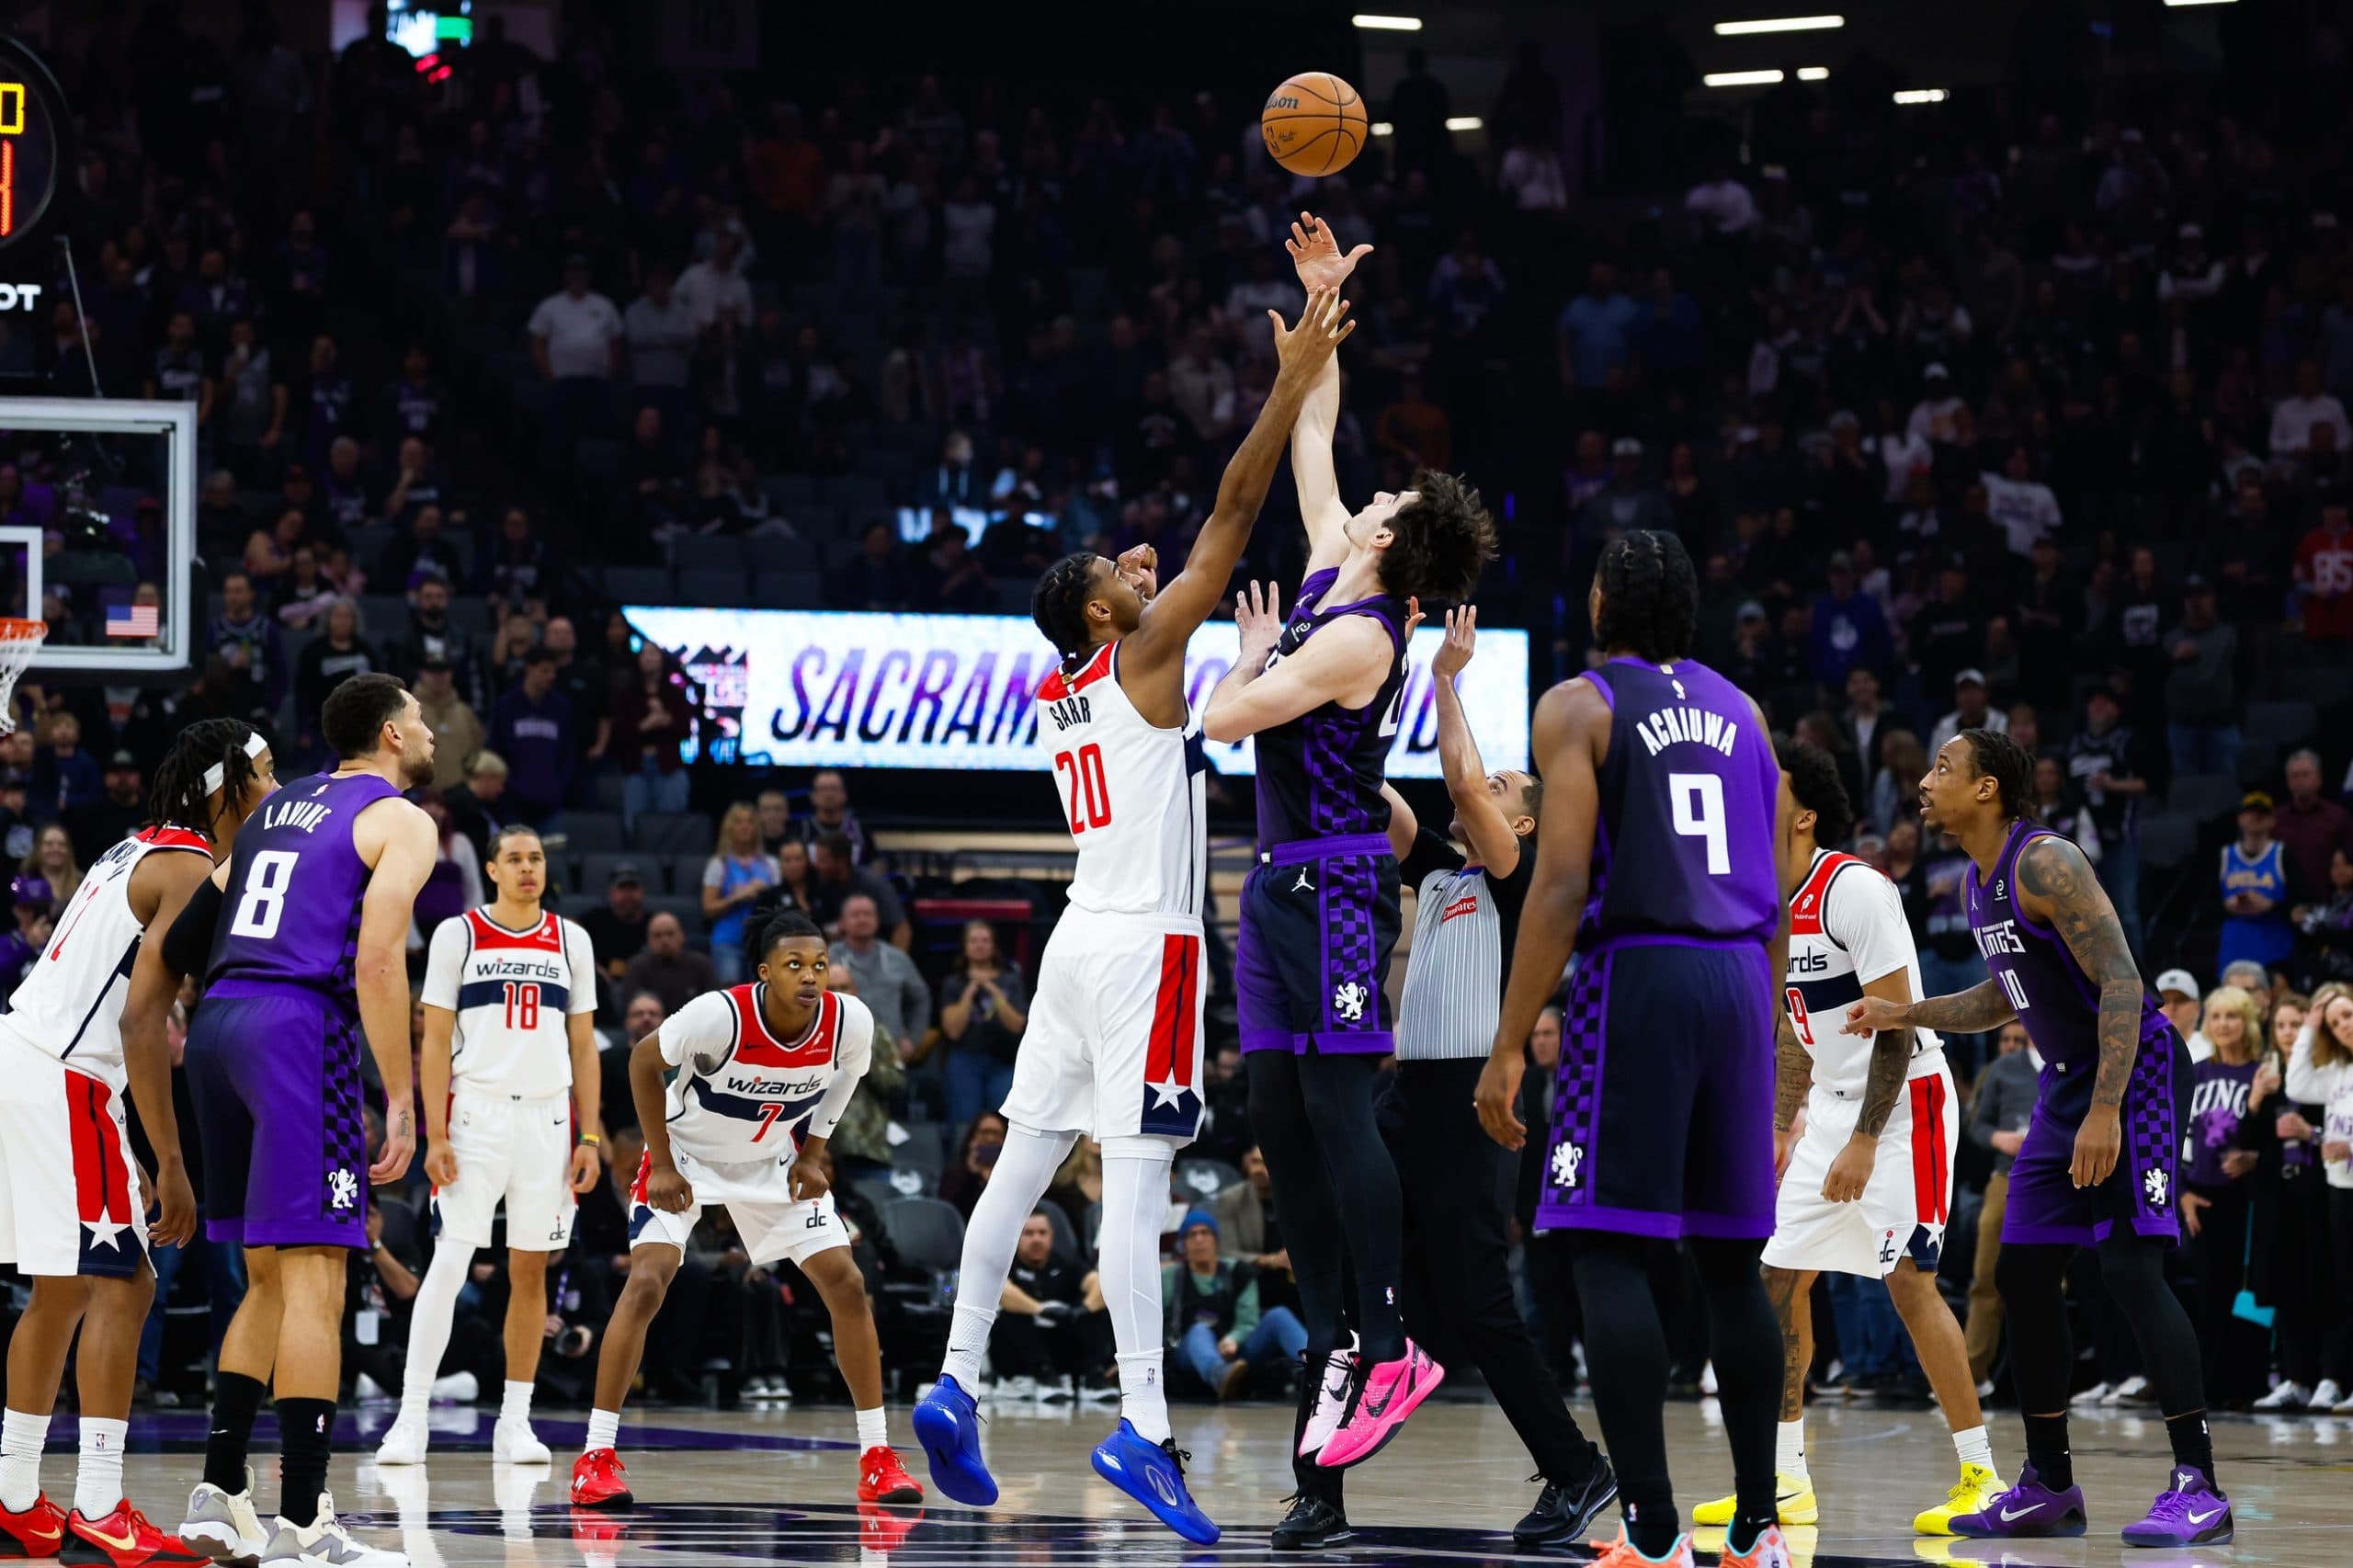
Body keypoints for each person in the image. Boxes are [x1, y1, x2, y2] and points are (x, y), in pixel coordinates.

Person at [916, 272, 1358, 1549]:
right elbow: (1231, 510)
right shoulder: (1143, 649)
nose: (1138, 567)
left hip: (1071, 941)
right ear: (1108, 613)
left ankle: (954, 1372)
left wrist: (1155, 609)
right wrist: (1286, 385)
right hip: (1147, 948)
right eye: (1122, 572)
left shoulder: (1067, 689)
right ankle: (1146, 1423)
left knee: (1026, 1154)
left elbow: (1148, 604)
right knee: (1142, 1180)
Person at [1201, 217, 1497, 1533]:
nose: (1369, 497)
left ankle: (1385, 1336)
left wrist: (1250, 658)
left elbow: (1220, 721)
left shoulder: (1359, 636)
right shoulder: (1340, 568)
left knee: (1339, 1118)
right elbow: (1312, 442)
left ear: (1396, 544)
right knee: (1281, 1128)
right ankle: (1337, 1367)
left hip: (1330, 890)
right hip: (1275, 890)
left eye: (1387, 505)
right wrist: (1318, 314)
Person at [1474, 528, 1794, 1568]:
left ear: (1605, 600)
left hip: (1643, 973)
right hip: (1742, 976)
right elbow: (1779, 894)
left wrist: (1509, 1038)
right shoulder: (1746, 715)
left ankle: (1652, 1530)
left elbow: (1560, 883)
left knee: (1605, 1243)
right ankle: (1757, 1526)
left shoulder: (1580, 702)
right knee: (1732, 1264)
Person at [1845, 727, 2227, 1547]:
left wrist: (2104, 1110)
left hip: (2134, 1072)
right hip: (2067, 1083)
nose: (1926, 781)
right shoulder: (1977, 883)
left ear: (1987, 789)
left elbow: (2124, 982)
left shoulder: (2046, 860)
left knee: (2130, 1270)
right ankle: (2051, 1483)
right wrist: (1903, 1011)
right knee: (2020, 1274)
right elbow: (2003, 996)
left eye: (1943, 768)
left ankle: (2199, 1483)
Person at [1702, 738, 2000, 1539]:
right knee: (1774, 1280)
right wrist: (1778, 1124)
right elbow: (1798, 1030)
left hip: (1906, 1104)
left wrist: (1865, 1140)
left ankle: (1982, 1475)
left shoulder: (1856, 890)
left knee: (1909, 1284)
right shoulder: (1763, 894)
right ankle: (1783, 1479)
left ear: (1803, 814)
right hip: (1831, 1106)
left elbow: (1897, 1024)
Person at [172, 674, 438, 1567]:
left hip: (217, 1023)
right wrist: (399, 1096)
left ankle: (218, 1491)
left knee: (269, 1280)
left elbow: (180, 941)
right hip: (295, 1027)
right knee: (319, 1274)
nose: (431, 729)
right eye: (422, 718)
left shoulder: (275, 808)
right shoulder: (401, 817)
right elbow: (376, 959)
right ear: (393, 734)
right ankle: (307, 1519)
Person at [1368, 606, 1617, 1548]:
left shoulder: (1515, 873)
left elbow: (1463, 782)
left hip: (1472, 1096)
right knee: (1354, 1237)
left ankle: (1575, 1467)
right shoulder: (1439, 871)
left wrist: (1445, 680)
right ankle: (1378, 1372)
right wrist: (1374, 669)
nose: (1484, 789)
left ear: (1521, 820)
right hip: (1407, 1094)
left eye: (1508, 787)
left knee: (1479, 1301)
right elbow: (1375, 788)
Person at [0, 722, 276, 1565]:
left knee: (63, 1291)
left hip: (29, 1057)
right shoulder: (189, 866)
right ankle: (101, 1504)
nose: (272, 791)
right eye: (263, 777)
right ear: (224, 788)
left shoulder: (133, 847)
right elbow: (139, 1020)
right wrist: (172, 1164)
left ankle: (14, 1499)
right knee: (126, 1282)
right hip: (68, 1075)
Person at [568, 912, 923, 1511]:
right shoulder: (718, 1015)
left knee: (848, 1283)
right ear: (764, 972)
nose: (811, 977)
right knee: (648, 1281)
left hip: (771, 1166)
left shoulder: (848, 1022)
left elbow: (846, 1081)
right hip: (687, 1156)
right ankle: (594, 1459)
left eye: (818, 965)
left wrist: (813, 1153)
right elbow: (640, 1063)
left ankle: (877, 1458)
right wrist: (660, 1162)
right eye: (794, 966)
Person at [375, 825, 600, 1467]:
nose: (528, 868)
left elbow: (583, 1045)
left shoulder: (570, 939)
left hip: (550, 1120)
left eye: (536, 858)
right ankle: (410, 1417)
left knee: (530, 1270)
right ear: (493, 871)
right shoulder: (459, 934)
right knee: (450, 1261)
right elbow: (434, 1039)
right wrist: (436, 1131)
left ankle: (515, 1422)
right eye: (515, 859)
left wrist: (589, 1134)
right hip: (477, 1114)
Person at [2178, 986, 2268, 1409]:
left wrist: (2254, 1157)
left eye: (2232, 1016)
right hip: (2200, 1198)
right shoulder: (2196, 1073)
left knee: (2245, 1295)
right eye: (2216, 1016)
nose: (2224, 1024)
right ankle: (2208, 1389)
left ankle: (2245, 1387)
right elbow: (2172, 1139)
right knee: (2209, 1296)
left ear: (2247, 1020)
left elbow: (2267, 1139)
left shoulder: (2261, 1074)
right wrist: (2182, 1194)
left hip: (2246, 1203)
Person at [2284, 985, 2353, 1415]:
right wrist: (2310, 1025)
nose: (2343, 1026)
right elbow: (2298, 1082)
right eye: (2335, 1022)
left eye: (2347, 1015)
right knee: (2346, 1288)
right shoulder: (2339, 1071)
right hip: (2340, 1188)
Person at [1163, 1210, 1306, 1397]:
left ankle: (1321, 1369)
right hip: (1190, 1352)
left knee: (1278, 1315)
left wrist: (1234, 1339)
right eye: (1192, 1235)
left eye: (1205, 1233)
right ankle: (1218, 1374)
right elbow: (1149, 1319)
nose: (1199, 1240)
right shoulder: (1171, 1276)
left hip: (1236, 1352)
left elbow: (1248, 1320)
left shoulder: (1238, 1271)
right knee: (1199, 1330)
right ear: (1184, 1244)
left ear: (1216, 1240)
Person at [988, 1210, 1113, 1402]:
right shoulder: (1006, 1264)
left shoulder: (1067, 1262)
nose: (1036, 1239)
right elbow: (1004, 1293)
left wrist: (1081, 1310)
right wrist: (1042, 1310)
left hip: (1060, 1344)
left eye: (1042, 1233)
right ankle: (1042, 1376)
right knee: (1009, 1315)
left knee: (1096, 1310)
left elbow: (1099, 1284)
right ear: (1016, 1237)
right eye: (1028, 1233)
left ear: (1051, 1236)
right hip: (1019, 1351)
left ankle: (1092, 1378)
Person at [937, 920, 1028, 1130]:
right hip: (965, 1061)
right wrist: (970, 991)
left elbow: (1016, 1025)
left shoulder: (1011, 980)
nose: (979, 945)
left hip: (1004, 1062)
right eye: (973, 941)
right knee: (963, 1121)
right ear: (965, 947)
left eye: (985, 941)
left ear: (994, 946)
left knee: (1003, 1121)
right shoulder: (954, 983)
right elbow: (953, 1030)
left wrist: (993, 990)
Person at [700, 803, 779, 984]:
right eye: (738, 822)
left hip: (763, 943)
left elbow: (779, 903)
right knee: (731, 993)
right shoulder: (718, 864)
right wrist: (736, 897)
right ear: (729, 828)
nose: (745, 826)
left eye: (750, 822)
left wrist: (763, 891)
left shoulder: (771, 864)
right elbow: (708, 908)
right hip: (728, 942)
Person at [2219, 792, 2294, 976]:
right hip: (2234, 946)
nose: (2256, 816)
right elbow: (2204, 905)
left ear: (2272, 820)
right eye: (2250, 811)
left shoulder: (2283, 855)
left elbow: (2300, 902)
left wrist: (2271, 906)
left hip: (2274, 946)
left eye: (2262, 813)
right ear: (2239, 819)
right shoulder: (2224, 855)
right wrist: (2227, 905)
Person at [618, 913, 718, 1017]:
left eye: (670, 934)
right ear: (649, 940)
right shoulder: (637, 966)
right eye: (657, 935)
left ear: (682, 936)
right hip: (651, 1030)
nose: (664, 940)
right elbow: (631, 1007)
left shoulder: (701, 965)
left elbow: (714, 1005)